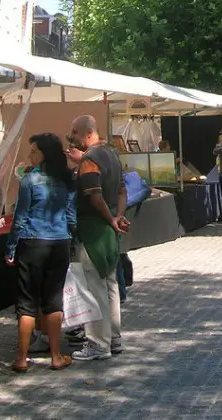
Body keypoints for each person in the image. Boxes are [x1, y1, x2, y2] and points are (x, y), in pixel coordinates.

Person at [5, 133, 77, 373]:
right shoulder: (66, 179)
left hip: (33, 241)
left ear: (44, 153)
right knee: (53, 299)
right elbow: (70, 215)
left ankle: (22, 358)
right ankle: (56, 356)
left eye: (33, 151)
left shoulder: (30, 180)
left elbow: (20, 217)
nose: (30, 155)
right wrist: (70, 238)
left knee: (27, 301)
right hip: (59, 241)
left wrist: (11, 247)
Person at [65, 115, 130, 362]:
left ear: (88, 133)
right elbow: (123, 189)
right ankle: (114, 338)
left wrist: (112, 218)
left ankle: (98, 343)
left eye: (74, 131)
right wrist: (118, 215)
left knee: (95, 288)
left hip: (94, 229)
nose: (71, 136)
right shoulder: (112, 155)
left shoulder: (90, 160)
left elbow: (94, 195)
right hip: (109, 229)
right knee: (110, 285)